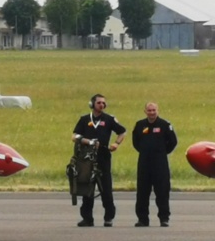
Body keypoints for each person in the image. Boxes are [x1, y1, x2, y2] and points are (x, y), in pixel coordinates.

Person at [72, 94, 127, 227]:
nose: (101, 105)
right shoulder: (84, 119)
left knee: (106, 188)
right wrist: (88, 141)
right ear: (92, 104)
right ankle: (87, 218)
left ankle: (109, 217)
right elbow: (74, 136)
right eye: (99, 103)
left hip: (103, 156)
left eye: (103, 103)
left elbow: (122, 131)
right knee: (87, 187)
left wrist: (116, 144)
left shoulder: (109, 119)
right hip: (87, 157)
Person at [132, 102, 178, 227]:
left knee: (162, 192)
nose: (151, 113)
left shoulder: (164, 125)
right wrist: (145, 150)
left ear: (158, 110)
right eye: (149, 110)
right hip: (144, 163)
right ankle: (142, 219)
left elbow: (173, 142)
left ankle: (164, 218)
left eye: (154, 110)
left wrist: (162, 152)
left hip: (160, 163)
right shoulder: (140, 125)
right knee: (142, 192)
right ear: (145, 111)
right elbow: (135, 141)